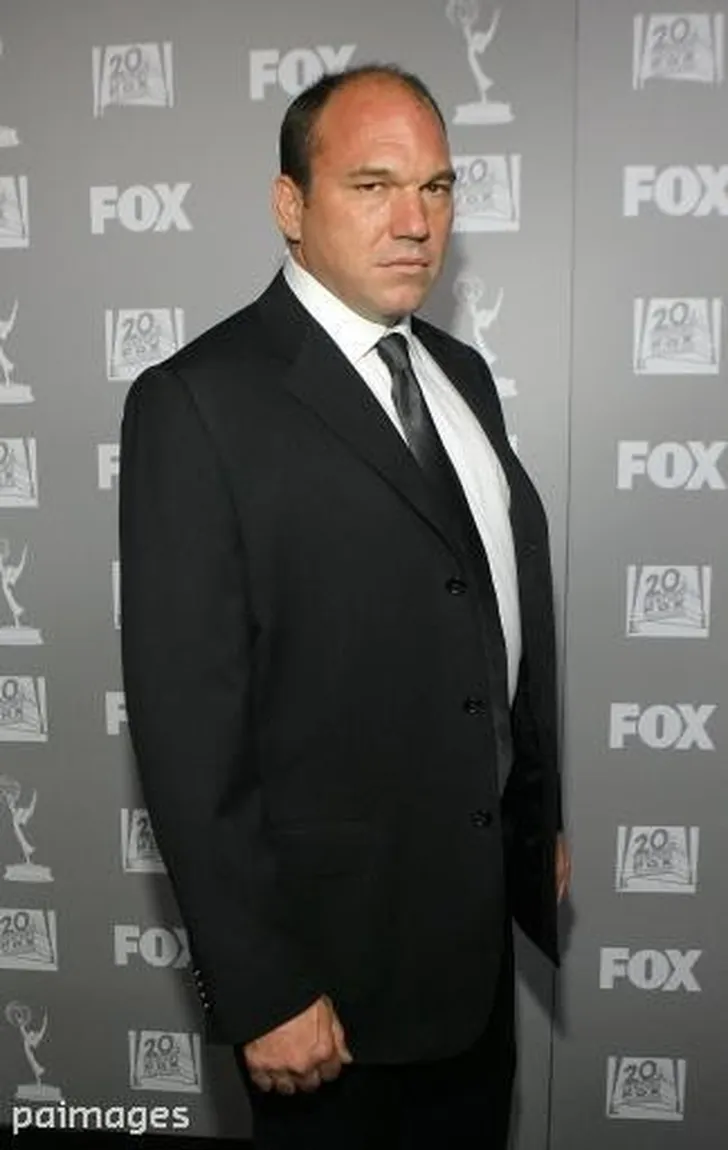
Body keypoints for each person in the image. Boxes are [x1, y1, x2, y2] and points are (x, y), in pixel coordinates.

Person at [120, 63, 570, 1150]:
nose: (415, 220)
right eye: (373, 186)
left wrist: (532, 820)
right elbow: (188, 732)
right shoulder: (197, 401)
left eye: (436, 187)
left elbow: (482, 607)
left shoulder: (460, 373)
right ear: (291, 204)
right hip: (327, 987)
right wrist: (262, 985)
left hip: (468, 958)